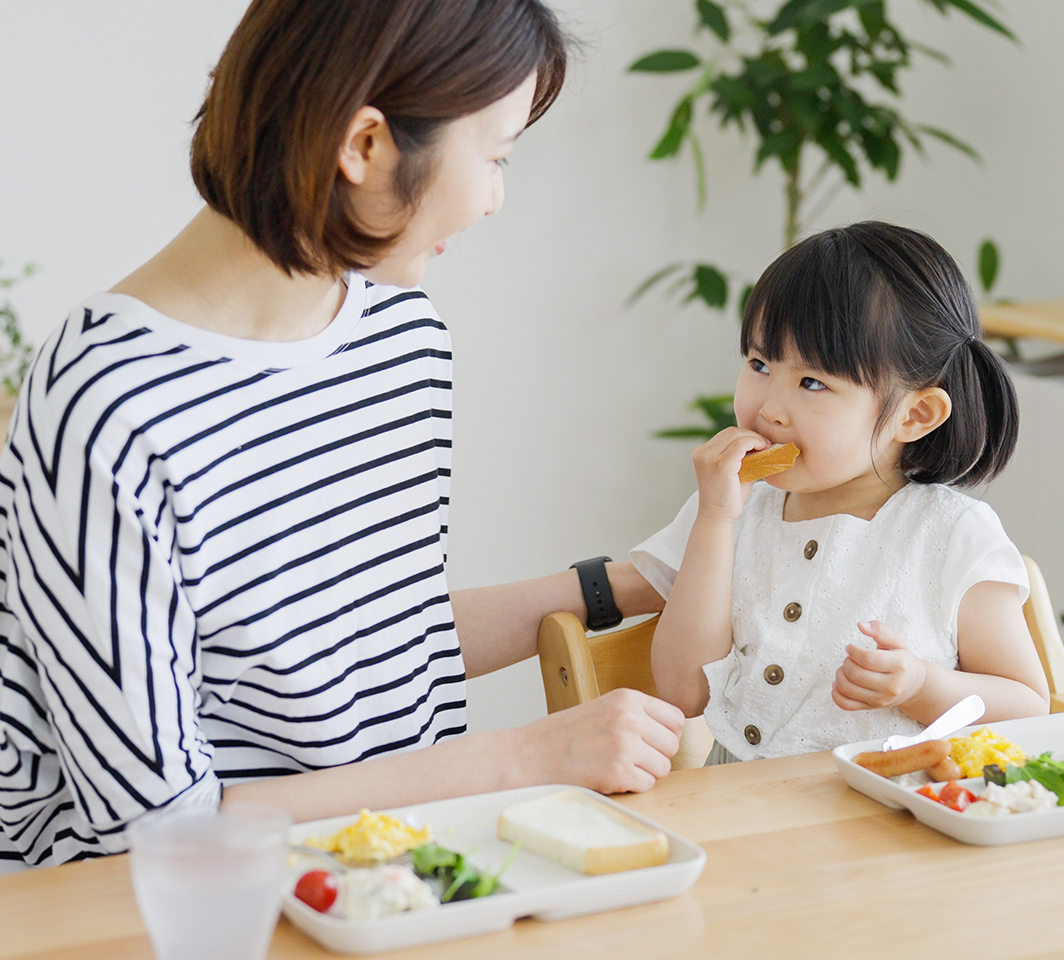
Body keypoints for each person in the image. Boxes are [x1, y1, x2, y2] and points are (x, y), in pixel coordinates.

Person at [0, 0, 682, 871]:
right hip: (194, 916)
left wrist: (633, 582)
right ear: (364, 147)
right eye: (497, 157)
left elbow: (379, 644)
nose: (493, 201)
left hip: (392, 878)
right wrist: (530, 757)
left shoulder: (400, 335)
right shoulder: (104, 401)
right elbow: (155, 829)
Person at [632, 222, 1049, 764]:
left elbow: (1027, 705)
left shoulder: (953, 535)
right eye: (759, 364)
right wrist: (714, 520)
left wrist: (923, 686)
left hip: (885, 817)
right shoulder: (730, 510)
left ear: (914, 415)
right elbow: (684, 692)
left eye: (812, 383)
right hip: (739, 809)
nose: (768, 409)